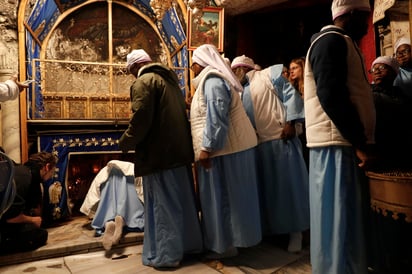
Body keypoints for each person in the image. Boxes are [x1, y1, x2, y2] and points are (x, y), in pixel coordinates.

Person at [304, 0, 376, 273]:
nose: (367, 26)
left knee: (345, 216)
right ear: (352, 14)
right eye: (365, 19)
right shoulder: (330, 42)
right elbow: (331, 96)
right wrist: (358, 140)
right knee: (338, 218)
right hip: (335, 143)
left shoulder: (341, 42)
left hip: (341, 141)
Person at [118, 49, 202, 268]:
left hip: (160, 155)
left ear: (135, 68)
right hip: (180, 153)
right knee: (183, 201)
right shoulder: (171, 82)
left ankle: (167, 256)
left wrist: (125, 142)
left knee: (163, 205)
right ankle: (190, 247)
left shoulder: (144, 82)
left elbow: (141, 118)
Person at [231, 55, 309, 253]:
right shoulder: (239, 90)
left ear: (242, 69)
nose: (233, 74)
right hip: (258, 144)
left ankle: (296, 233)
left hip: (279, 137)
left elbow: (290, 94)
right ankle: (274, 231)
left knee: (289, 188)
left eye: (235, 70)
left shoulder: (268, 74)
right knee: (270, 192)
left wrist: (291, 122)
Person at [189, 44, 261, 259]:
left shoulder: (212, 80)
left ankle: (226, 246)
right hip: (228, 149)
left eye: (193, 62)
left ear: (199, 62)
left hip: (225, 151)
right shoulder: (212, 80)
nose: (191, 67)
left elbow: (217, 115)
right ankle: (228, 243)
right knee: (227, 198)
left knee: (223, 199)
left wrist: (207, 148)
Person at [80, 160, 145, 251]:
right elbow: (142, 193)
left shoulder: (104, 171)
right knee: (139, 211)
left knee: (107, 205)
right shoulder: (133, 168)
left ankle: (108, 221)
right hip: (130, 175)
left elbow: (94, 196)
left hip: (107, 177)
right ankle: (122, 219)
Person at [0, 151, 57, 254]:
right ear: (47, 167)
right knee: (40, 235)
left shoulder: (24, 171)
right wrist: (32, 220)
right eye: (52, 172)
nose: (51, 177)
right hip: (3, 224)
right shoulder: (24, 178)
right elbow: (10, 217)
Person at [288, 57, 309, 169]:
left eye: (295, 68)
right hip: (299, 129)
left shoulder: (310, 86)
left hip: (309, 125)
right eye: (290, 68)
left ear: (303, 68)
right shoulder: (293, 88)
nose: (291, 71)